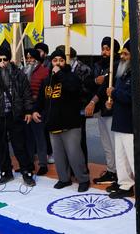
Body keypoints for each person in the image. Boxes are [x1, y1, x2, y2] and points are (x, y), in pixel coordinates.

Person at [0, 46, 37, 187]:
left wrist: (28, 111)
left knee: (19, 146)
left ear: (9, 59)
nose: (3, 61)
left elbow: (26, 93)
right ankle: (6, 172)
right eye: (0, 59)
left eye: (5, 59)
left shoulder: (18, 73)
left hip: (15, 115)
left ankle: (27, 172)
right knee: (0, 146)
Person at [38, 49, 90, 192]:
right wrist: (35, 111)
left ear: (65, 62)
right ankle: (64, 179)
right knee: (59, 156)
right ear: (51, 62)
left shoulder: (71, 77)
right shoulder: (46, 81)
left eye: (61, 60)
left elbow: (73, 88)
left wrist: (60, 74)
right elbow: (41, 100)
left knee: (75, 154)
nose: (58, 63)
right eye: (55, 60)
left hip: (70, 124)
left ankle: (83, 179)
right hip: (53, 124)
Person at [86, 36, 120, 187]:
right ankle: (111, 170)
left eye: (108, 49)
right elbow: (88, 82)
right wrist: (95, 81)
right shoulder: (98, 65)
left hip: (112, 110)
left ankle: (120, 173)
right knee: (106, 144)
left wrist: (93, 100)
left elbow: (104, 87)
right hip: (101, 111)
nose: (104, 52)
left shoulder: (118, 65)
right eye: (103, 48)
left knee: (114, 144)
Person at [107, 41, 134, 199]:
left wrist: (114, 93)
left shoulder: (137, 73)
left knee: (131, 156)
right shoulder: (120, 72)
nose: (122, 57)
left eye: (126, 54)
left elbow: (132, 97)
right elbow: (118, 95)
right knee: (120, 156)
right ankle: (125, 184)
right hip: (119, 120)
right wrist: (110, 101)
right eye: (122, 54)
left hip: (130, 122)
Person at [23, 48, 50, 176]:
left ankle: (43, 164)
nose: (29, 60)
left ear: (37, 59)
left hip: (39, 109)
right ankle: (29, 164)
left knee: (40, 138)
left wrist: (36, 108)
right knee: (27, 138)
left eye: (31, 58)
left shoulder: (44, 72)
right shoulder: (23, 71)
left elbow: (45, 93)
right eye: (27, 58)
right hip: (25, 109)